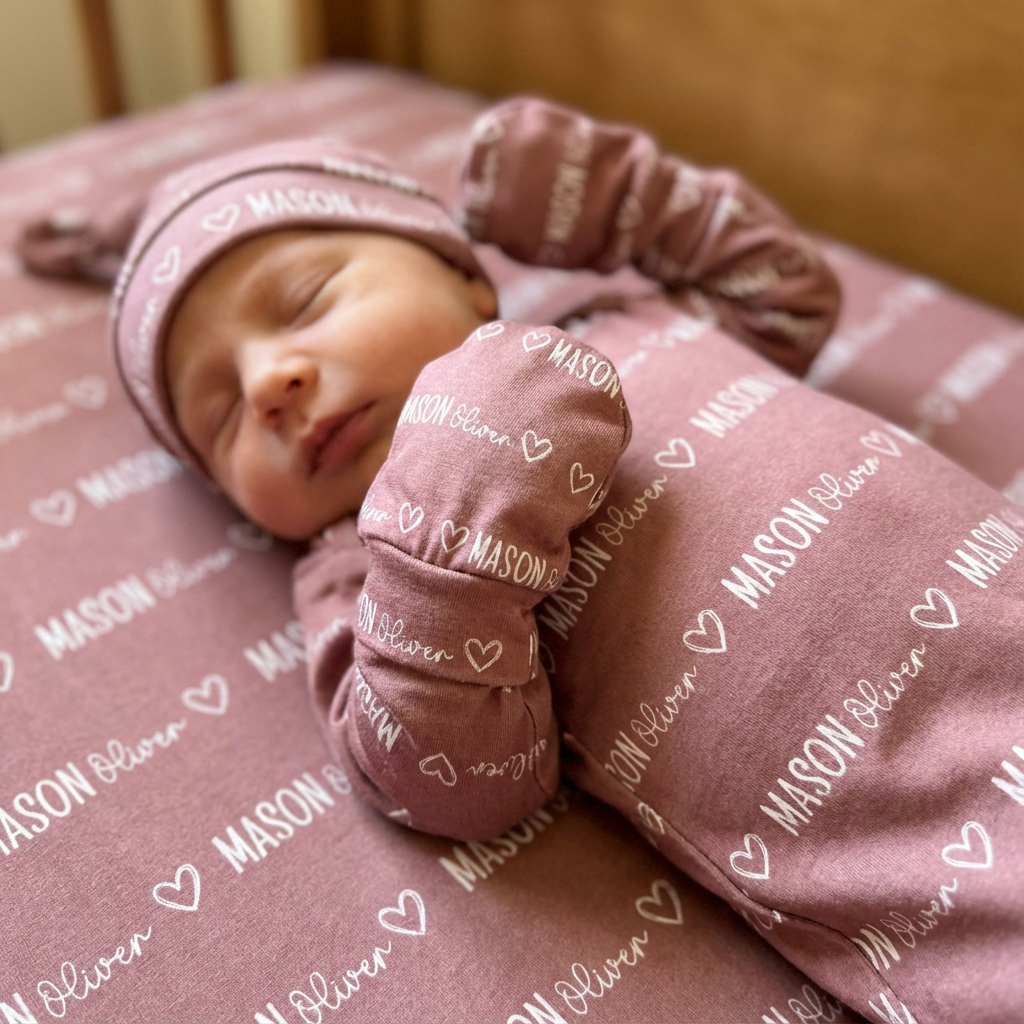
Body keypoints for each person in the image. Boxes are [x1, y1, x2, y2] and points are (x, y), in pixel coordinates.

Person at [110, 100, 1022, 1022]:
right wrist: (446, 534)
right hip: (921, 846)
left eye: (307, 299)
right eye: (221, 417)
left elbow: (787, 291)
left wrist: (617, 195)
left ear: (466, 277)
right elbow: (449, 785)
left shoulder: (622, 326)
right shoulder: (355, 570)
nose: (270, 382)